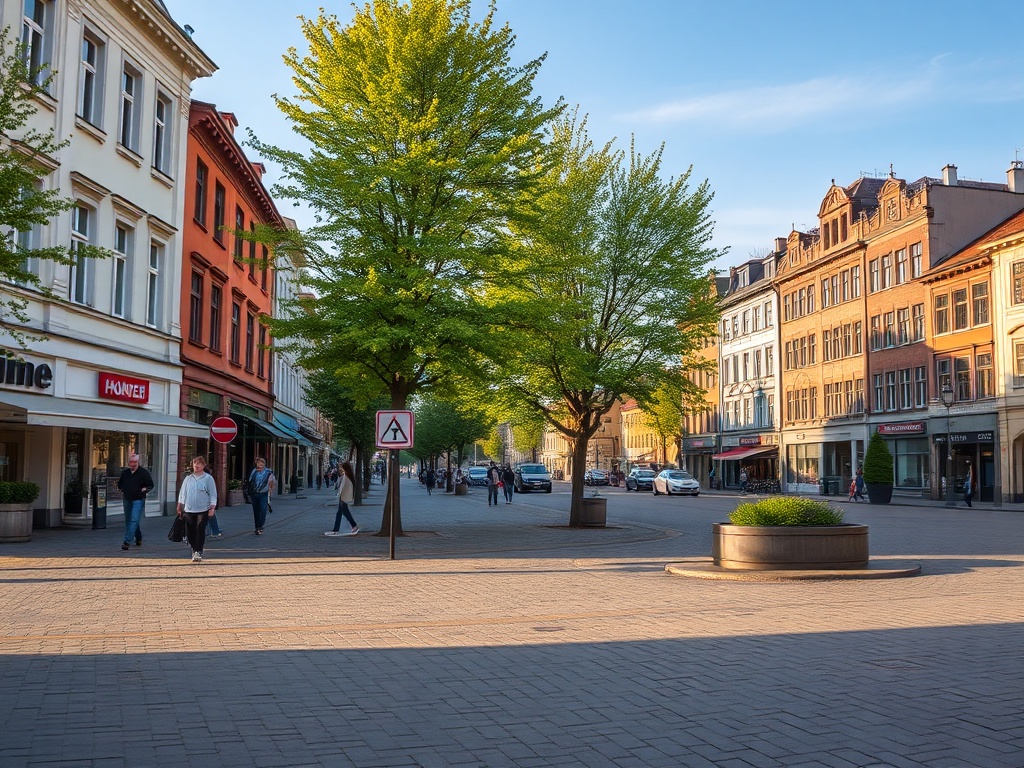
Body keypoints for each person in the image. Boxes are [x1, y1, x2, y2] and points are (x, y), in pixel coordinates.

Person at [176, 456, 217, 563]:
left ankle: (198, 551)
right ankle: (194, 548)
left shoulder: (208, 478)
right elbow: (182, 493)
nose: (196, 466)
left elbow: (213, 494)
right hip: (189, 509)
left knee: (200, 528)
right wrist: (180, 505)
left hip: (203, 509)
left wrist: (212, 507)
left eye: (199, 464)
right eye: (195, 464)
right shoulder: (188, 478)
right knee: (190, 532)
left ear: (203, 465)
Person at [117, 454, 154, 550]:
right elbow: (120, 483)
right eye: (131, 462)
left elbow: (150, 484)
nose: (132, 464)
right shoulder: (125, 473)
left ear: (138, 462)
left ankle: (127, 541)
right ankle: (138, 537)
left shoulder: (143, 473)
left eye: (134, 462)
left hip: (138, 499)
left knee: (134, 519)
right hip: (127, 498)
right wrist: (122, 488)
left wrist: (144, 489)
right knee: (129, 520)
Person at [325, 461, 359, 536]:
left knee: (341, 513)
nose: (340, 469)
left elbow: (344, 488)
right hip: (343, 497)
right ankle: (353, 526)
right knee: (344, 513)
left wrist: (341, 497)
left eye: (341, 467)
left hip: (343, 497)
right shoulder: (347, 476)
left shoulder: (346, 477)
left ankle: (337, 529)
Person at [246, 457, 276, 535]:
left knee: (263, 510)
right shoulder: (253, 472)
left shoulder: (268, 472)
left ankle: (261, 526)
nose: (260, 467)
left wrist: (270, 491)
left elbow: (272, 481)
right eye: (259, 465)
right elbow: (250, 481)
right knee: (256, 511)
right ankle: (257, 527)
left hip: (264, 493)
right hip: (254, 494)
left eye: (262, 465)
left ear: (264, 465)